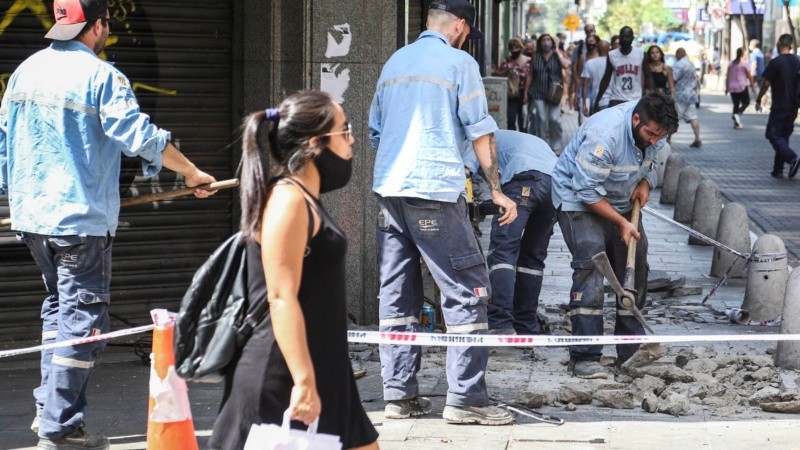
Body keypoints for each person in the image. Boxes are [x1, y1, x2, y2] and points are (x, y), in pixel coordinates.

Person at [0, 1, 217, 448]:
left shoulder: (24, 71)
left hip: (31, 217)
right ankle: (60, 429)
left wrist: (14, 194)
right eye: (106, 26)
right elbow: (139, 136)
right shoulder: (102, 75)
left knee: (60, 311)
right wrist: (192, 172)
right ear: (97, 26)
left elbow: (5, 143)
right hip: (78, 221)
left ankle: (50, 413)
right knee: (82, 323)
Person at [369, 0, 516, 426]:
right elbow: (479, 128)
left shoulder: (395, 61)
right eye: (467, 32)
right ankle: (468, 400)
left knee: (396, 294)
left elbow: (376, 130)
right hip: (434, 188)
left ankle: (399, 396)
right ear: (460, 27)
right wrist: (496, 190)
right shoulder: (459, 61)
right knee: (467, 287)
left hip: (390, 191)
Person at [209, 91, 379, 450]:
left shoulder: (306, 200)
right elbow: (281, 297)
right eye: (345, 131)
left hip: (325, 369)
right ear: (316, 143)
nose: (351, 142)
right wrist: (303, 380)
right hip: (283, 374)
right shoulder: (288, 199)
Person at [551, 92, 679, 379]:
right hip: (578, 200)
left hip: (620, 200)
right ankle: (585, 356)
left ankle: (630, 351)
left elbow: (652, 163)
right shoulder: (605, 134)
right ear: (636, 120)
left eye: (662, 136)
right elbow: (586, 191)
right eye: (651, 134)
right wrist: (621, 222)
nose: (655, 140)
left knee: (635, 268)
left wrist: (646, 182)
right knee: (592, 264)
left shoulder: (655, 133)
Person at [462, 130, 558, 335]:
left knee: (502, 253)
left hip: (523, 181)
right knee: (532, 259)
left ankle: (500, 323)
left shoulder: (476, 138)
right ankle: (525, 324)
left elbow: (465, 171)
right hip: (554, 188)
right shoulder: (520, 138)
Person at [756, 34, 800, 179]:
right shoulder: (797, 61)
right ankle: (778, 169)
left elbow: (766, 83)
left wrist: (759, 98)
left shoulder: (776, 62)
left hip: (780, 106)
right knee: (783, 136)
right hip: (794, 106)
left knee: (772, 134)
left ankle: (792, 158)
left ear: (780, 43)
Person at [524, 33, 567, 152]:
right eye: (544, 40)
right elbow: (530, 75)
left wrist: (557, 53)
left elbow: (566, 66)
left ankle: (556, 145)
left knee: (554, 119)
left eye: (548, 40)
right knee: (541, 119)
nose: (546, 42)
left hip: (554, 93)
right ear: (540, 42)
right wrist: (526, 92)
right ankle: (541, 145)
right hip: (538, 92)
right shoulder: (536, 56)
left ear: (552, 42)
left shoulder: (557, 56)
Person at [597, 26, 645, 109]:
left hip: (635, 99)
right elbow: (606, 78)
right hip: (617, 99)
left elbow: (648, 76)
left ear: (632, 38)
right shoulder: (612, 55)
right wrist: (597, 100)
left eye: (628, 37)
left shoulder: (641, 53)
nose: (625, 40)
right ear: (619, 38)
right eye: (623, 37)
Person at [495, 37, 530, 131]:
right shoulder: (506, 61)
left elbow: (531, 77)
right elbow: (498, 74)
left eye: (517, 47)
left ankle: (524, 138)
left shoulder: (529, 61)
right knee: (511, 117)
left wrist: (527, 93)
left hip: (525, 92)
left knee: (523, 119)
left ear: (521, 47)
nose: (514, 49)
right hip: (511, 92)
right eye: (512, 47)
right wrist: (507, 70)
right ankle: (513, 137)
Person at [673, 48, 702, 148]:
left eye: (676, 54)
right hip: (691, 94)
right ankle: (697, 138)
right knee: (693, 117)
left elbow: (674, 78)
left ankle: (667, 139)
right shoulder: (691, 64)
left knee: (674, 117)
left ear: (679, 53)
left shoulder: (679, 64)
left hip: (681, 94)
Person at [726, 47, 757, 129]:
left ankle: (736, 121)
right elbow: (749, 75)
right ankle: (737, 114)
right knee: (746, 102)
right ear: (743, 54)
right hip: (742, 86)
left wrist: (726, 87)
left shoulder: (731, 63)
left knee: (735, 104)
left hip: (732, 87)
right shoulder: (744, 63)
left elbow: (727, 76)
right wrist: (753, 85)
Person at [582, 40, 612, 116]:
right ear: (609, 49)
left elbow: (585, 84)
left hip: (595, 101)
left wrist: (584, 103)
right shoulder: (613, 62)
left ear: (597, 49)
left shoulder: (589, 63)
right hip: (611, 102)